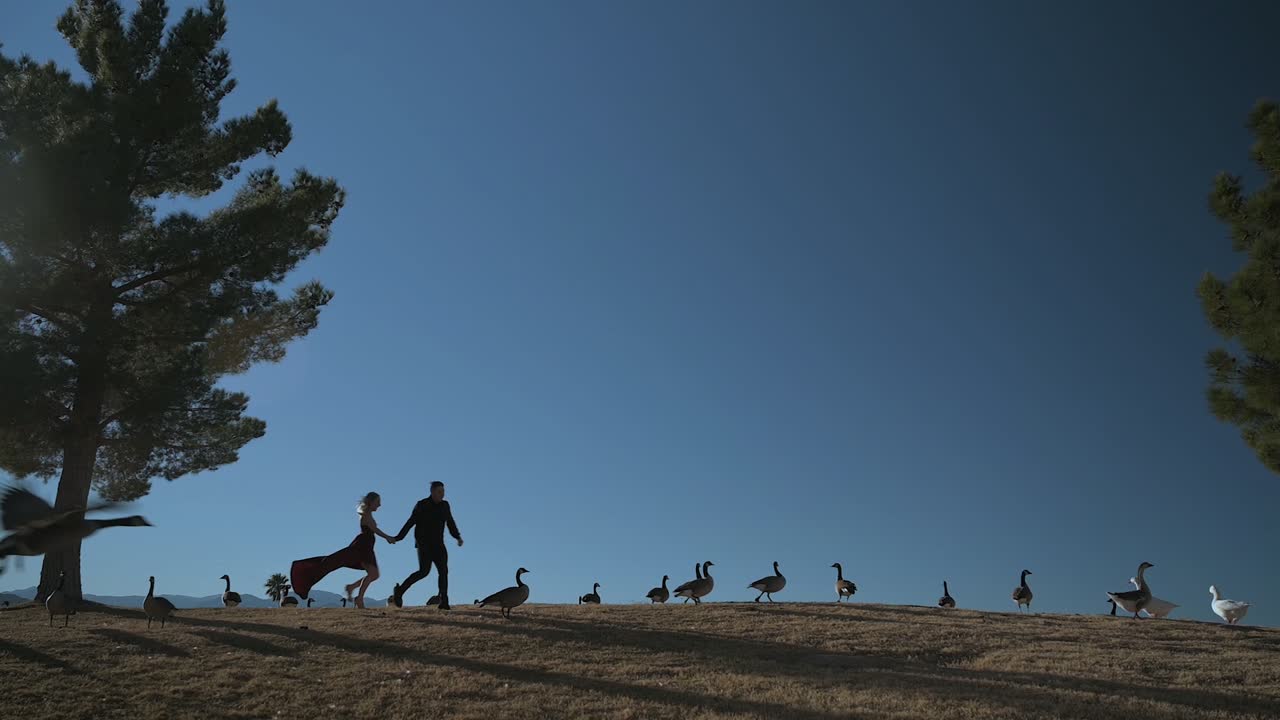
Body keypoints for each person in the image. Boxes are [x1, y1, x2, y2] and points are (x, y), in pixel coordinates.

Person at [290, 492, 397, 609]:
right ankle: (359, 599)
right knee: (372, 574)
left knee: (374, 575)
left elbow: (374, 529)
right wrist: (388, 537)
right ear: (371, 502)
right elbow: (375, 529)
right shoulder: (366, 515)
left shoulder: (368, 513)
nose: (380, 505)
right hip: (363, 546)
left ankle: (351, 587)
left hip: (367, 545)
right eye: (378, 502)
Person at [391, 481, 462, 609]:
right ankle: (400, 591)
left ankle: (444, 601)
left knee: (443, 571)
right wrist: (398, 537)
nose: (442, 494)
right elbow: (410, 522)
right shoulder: (422, 505)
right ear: (433, 492)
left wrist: (457, 536)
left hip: (439, 544)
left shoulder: (445, 505)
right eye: (440, 491)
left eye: (443, 491)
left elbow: (450, 522)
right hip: (424, 545)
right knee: (423, 572)